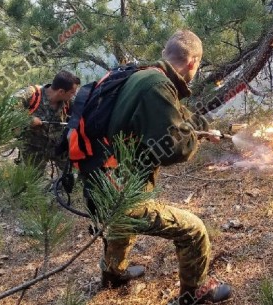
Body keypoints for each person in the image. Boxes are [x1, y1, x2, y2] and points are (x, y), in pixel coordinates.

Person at [84, 30, 232, 304]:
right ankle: (194, 293)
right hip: (120, 189)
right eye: (197, 66)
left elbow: (175, 116)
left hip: (104, 181)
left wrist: (203, 128)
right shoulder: (157, 86)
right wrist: (192, 141)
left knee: (120, 226)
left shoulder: (142, 75)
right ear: (192, 63)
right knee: (194, 231)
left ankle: (113, 274)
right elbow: (175, 149)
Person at [11, 70, 80, 172]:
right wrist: (27, 119)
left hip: (58, 147)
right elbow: (6, 110)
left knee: (70, 174)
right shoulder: (32, 94)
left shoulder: (68, 101)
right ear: (61, 91)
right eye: (72, 92)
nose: (74, 95)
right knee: (32, 182)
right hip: (33, 150)